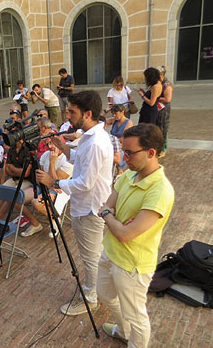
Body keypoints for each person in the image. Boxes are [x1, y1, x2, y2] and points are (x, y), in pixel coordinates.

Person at [97, 123, 174, 347]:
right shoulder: (130, 175)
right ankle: (123, 330)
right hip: (111, 252)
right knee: (105, 294)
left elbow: (124, 234)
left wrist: (110, 217)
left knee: (137, 317)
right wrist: (114, 219)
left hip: (132, 265)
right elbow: (108, 204)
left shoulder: (160, 190)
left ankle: (131, 334)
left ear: (151, 153)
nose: (123, 158)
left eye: (129, 153)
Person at [37, 90, 113, 316]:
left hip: (90, 208)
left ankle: (90, 299)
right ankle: (96, 289)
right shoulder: (89, 137)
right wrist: (62, 147)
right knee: (94, 254)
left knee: (91, 257)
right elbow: (79, 163)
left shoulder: (96, 142)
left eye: (72, 111)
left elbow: (86, 182)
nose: (67, 115)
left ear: (87, 113)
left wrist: (55, 182)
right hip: (85, 205)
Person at [27, 142, 74, 237]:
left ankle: (54, 220)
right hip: (44, 185)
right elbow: (39, 176)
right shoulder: (45, 155)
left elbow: (56, 182)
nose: (49, 147)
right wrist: (47, 182)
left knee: (36, 203)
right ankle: (36, 224)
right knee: (18, 198)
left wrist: (52, 162)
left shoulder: (67, 160)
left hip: (59, 189)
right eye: (48, 144)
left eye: (53, 144)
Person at [156, 65, 173, 157]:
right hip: (158, 109)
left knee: (163, 127)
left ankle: (163, 148)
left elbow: (167, 99)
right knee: (158, 127)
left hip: (164, 109)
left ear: (162, 74)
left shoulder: (167, 85)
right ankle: (159, 146)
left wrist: (155, 97)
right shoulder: (158, 83)